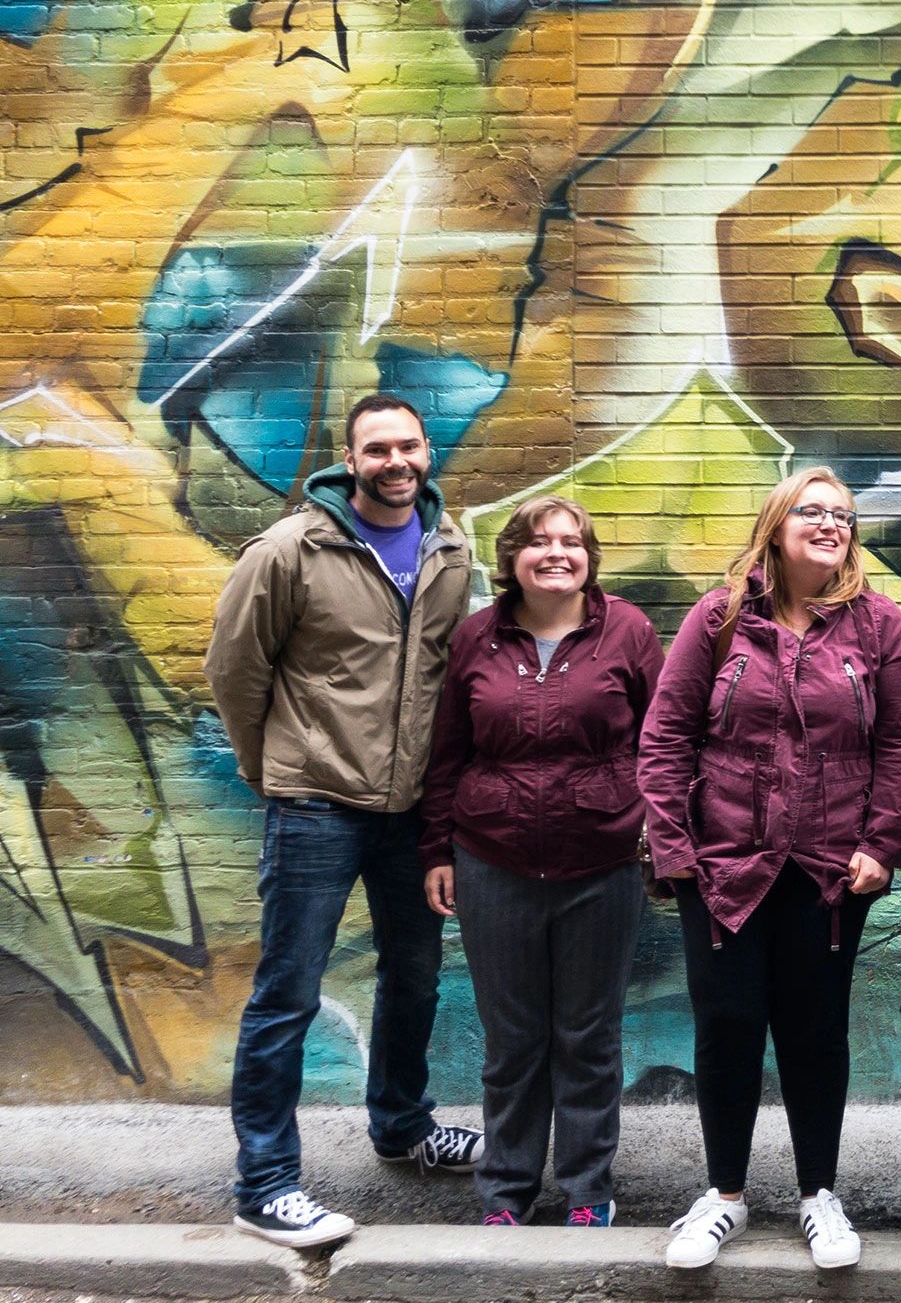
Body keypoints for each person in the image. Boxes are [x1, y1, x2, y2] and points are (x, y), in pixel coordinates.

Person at [204, 393, 483, 1248]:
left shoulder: (449, 551)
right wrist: (272, 771)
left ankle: (402, 1126)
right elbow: (234, 670)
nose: (396, 462)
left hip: (411, 813)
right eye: (378, 449)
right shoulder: (292, 549)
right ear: (349, 458)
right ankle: (265, 1184)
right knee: (288, 993)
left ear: (426, 452)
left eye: (408, 447)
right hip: (316, 805)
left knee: (415, 980)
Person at [635, 469, 901, 1272]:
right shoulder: (720, 617)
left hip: (830, 868)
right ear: (776, 522)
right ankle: (724, 1195)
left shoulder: (880, 626)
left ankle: (818, 1195)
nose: (830, 524)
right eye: (813, 511)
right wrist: (674, 850)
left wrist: (882, 843)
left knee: (814, 1032)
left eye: (843, 515)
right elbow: (666, 735)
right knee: (727, 1026)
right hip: (723, 861)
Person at [419, 496, 663, 1228]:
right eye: (539, 542)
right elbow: (447, 752)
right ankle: (506, 1190)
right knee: (513, 1039)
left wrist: (658, 832)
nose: (557, 553)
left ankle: (587, 1190)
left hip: (602, 862)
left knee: (588, 1037)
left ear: (590, 558)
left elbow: (663, 741)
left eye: (572, 542)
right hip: (493, 861)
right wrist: (437, 850)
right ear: (512, 559)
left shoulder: (627, 631)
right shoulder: (476, 638)